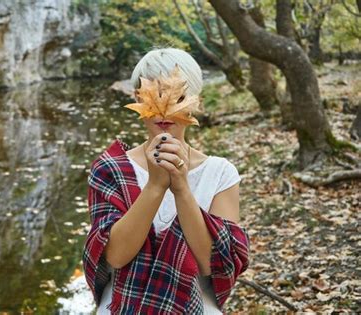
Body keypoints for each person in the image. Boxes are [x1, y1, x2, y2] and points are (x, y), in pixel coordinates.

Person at [82, 47, 250, 314]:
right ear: (137, 98)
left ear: (196, 102)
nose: (164, 110)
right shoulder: (111, 168)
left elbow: (212, 264)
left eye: (178, 97)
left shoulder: (220, 173)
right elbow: (115, 256)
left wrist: (181, 188)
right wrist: (155, 186)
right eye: (153, 97)